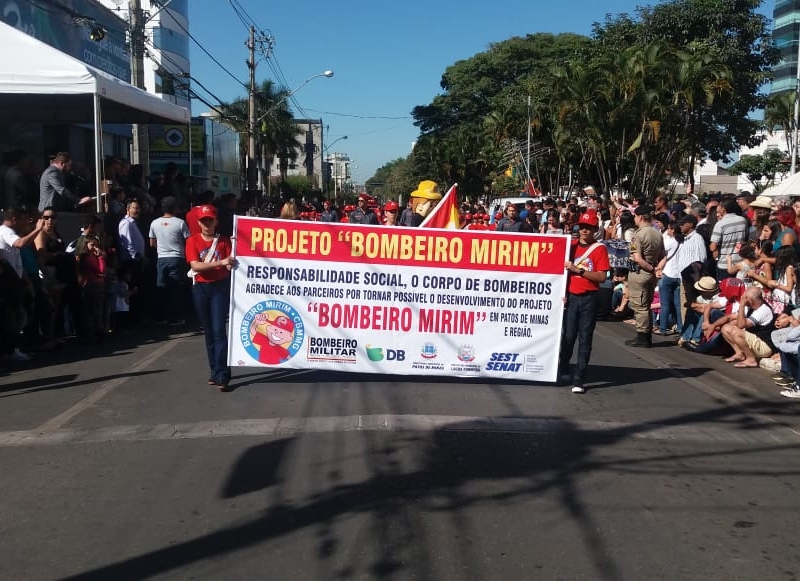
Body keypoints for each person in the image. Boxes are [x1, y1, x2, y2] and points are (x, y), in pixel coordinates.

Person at [185, 204, 237, 391]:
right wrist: (221, 262)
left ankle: (223, 374)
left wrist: (236, 249)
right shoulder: (192, 241)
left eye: (210, 220)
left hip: (219, 288)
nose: (207, 223)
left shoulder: (224, 241)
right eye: (203, 220)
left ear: (216, 221)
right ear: (198, 222)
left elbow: (231, 265)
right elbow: (195, 265)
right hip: (200, 288)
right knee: (208, 332)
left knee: (218, 330)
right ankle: (215, 370)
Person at [558, 209, 610, 394]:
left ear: (595, 229)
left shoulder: (600, 249)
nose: (584, 230)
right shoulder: (570, 246)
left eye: (588, 227)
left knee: (585, 338)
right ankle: (562, 369)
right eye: (582, 227)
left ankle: (579, 378)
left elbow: (602, 277)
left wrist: (578, 271)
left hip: (589, 298)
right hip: (571, 297)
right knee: (568, 336)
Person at [625, 205, 665, 348]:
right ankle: (645, 335)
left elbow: (637, 258)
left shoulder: (638, 235)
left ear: (640, 217)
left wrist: (652, 269)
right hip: (651, 274)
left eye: (635, 216)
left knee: (640, 306)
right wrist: (658, 268)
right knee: (646, 304)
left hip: (640, 272)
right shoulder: (658, 234)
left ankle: (643, 336)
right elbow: (663, 255)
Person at [148, 196, 190, 325]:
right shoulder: (180, 223)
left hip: (161, 258)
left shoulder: (154, 223)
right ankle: (176, 317)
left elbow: (152, 243)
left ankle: (161, 317)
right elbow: (188, 240)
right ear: (175, 208)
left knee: (161, 288)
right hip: (177, 258)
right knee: (176, 289)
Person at [719, 286, 775, 368]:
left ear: (751, 300)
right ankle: (739, 353)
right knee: (725, 328)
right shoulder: (750, 307)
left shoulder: (763, 310)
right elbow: (735, 319)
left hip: (764, 345)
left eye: (745, 298)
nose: (743, 299)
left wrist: (742, 305)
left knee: (736, 332)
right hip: (755, 339)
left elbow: (741, 325)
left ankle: (751, 360)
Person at [710, 198, 748, 282]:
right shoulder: (743, 220)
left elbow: (713, 247)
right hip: (740, 261)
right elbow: (744, 239)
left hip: (724, 264)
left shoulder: (720, 224)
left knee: (724, 291)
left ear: (723, 209)